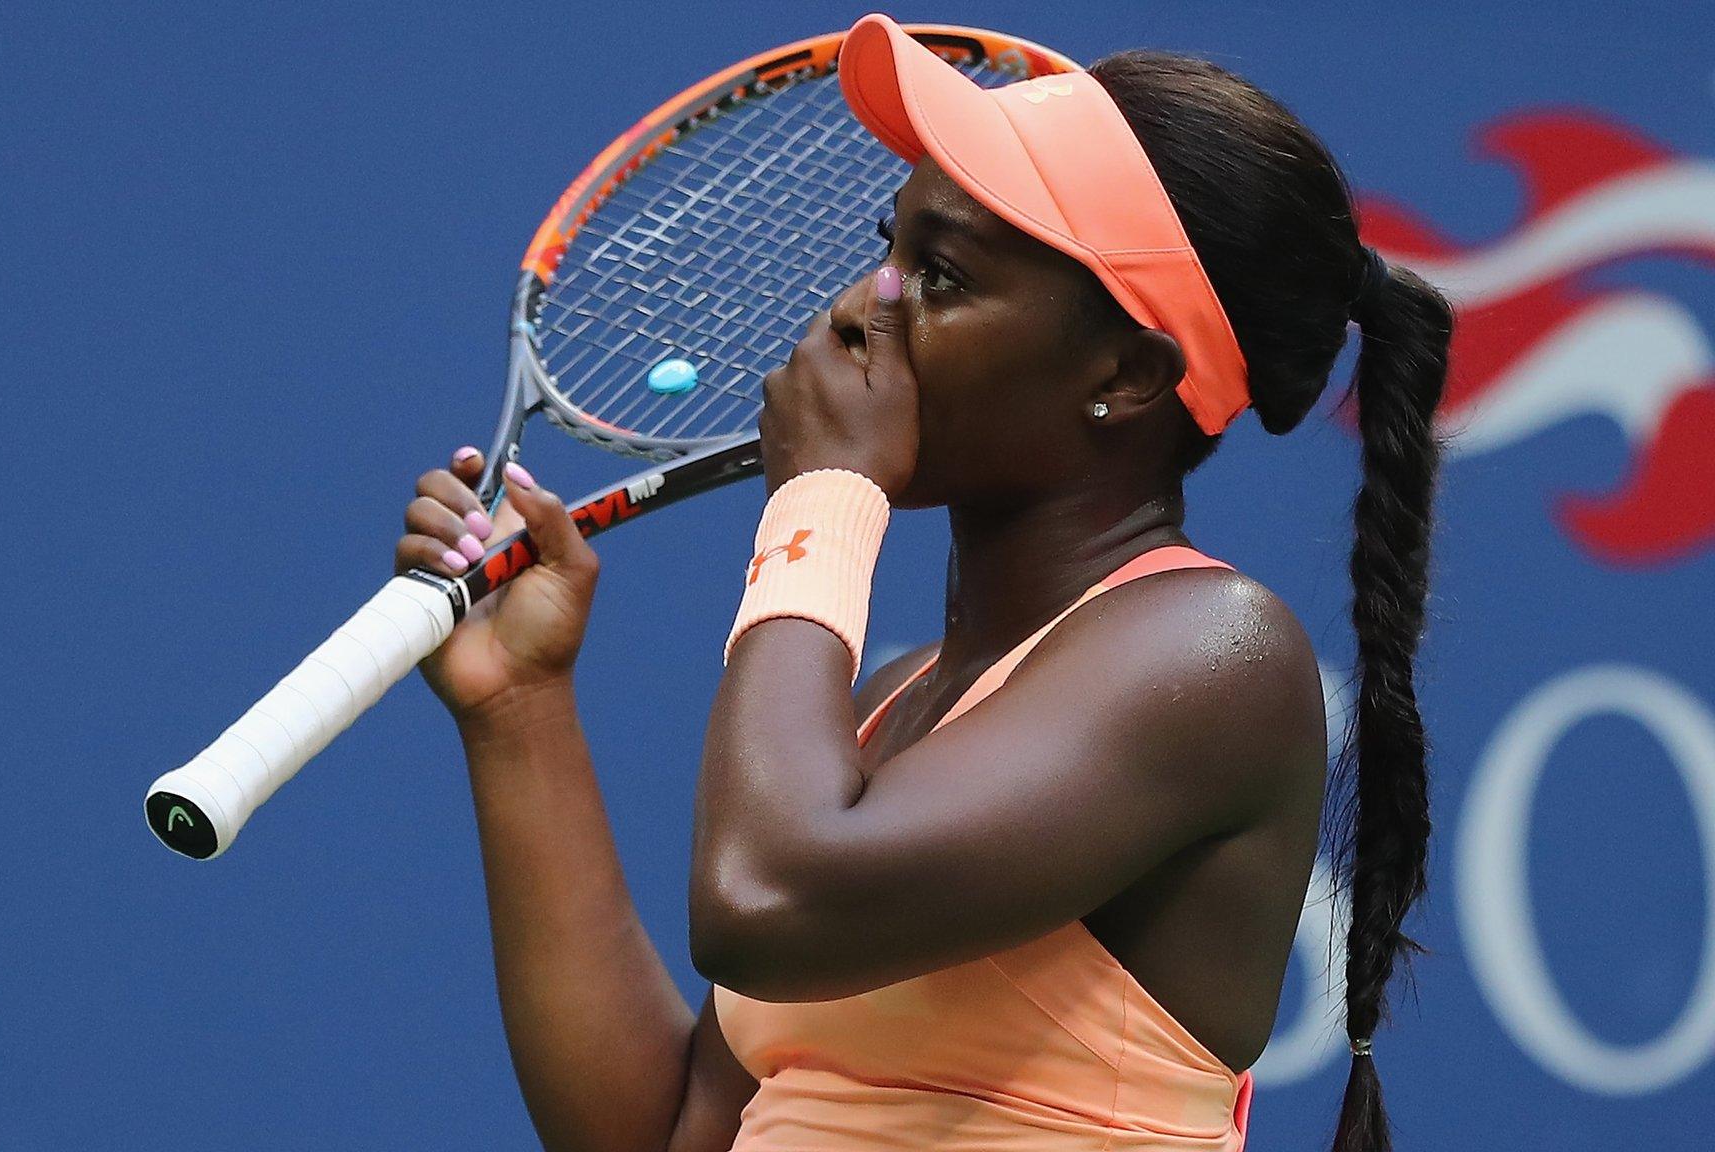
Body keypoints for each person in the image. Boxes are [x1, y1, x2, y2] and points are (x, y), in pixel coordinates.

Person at [393, 14, 1452, 1152]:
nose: (862, 305)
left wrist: (822, 498)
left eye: (938, 276)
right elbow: (660, 1132)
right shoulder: (891, 707)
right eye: (885, 243)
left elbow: (765, 896)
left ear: (1125, 376)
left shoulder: (1211, 655)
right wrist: (520, 707)